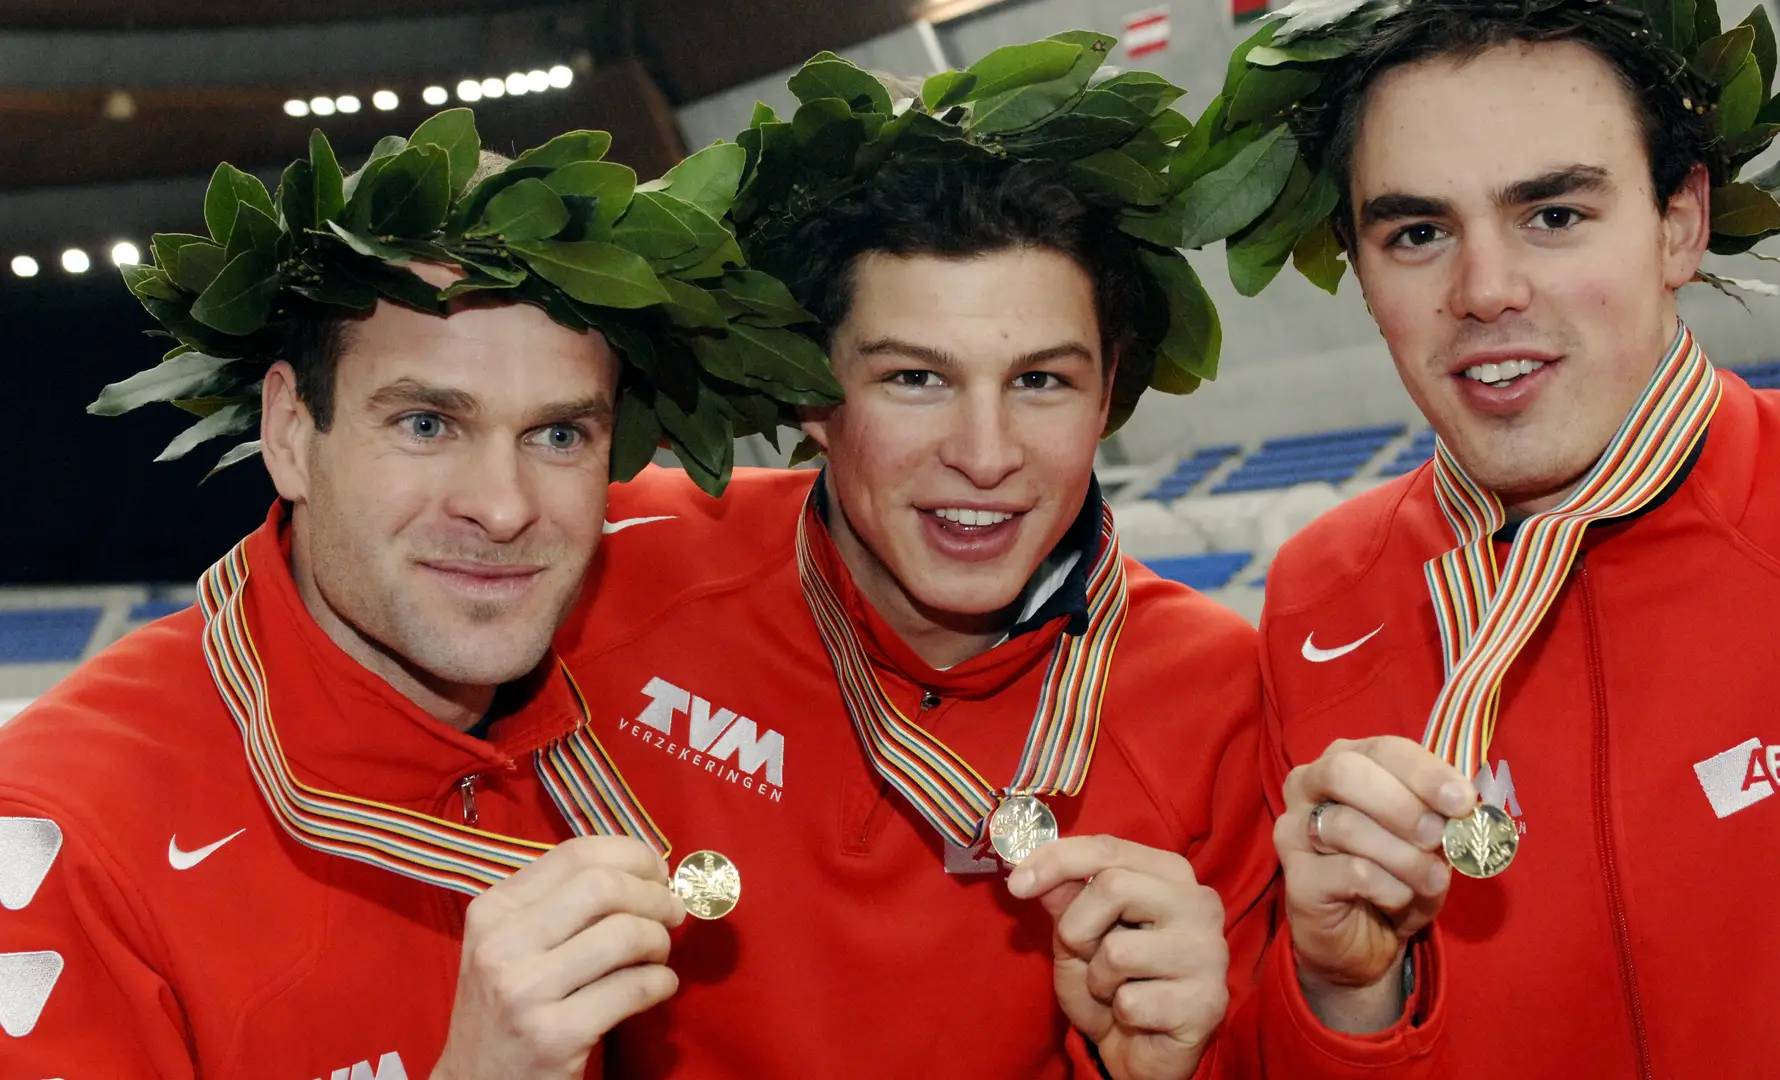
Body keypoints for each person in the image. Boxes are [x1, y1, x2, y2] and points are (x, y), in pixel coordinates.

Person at [0, 111, 832, 1078]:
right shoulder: (62, 823)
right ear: (288, 431)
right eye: (429, 423)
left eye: (559, 435)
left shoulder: (619, 715)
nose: (503, 506)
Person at [1183, 0, 1780, 1075]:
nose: (1485, 291)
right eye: (1418, 233)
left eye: (1554, 214)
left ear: (1679, 226)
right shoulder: (1318, 596)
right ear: (1363, 269)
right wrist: (1343, 994)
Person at [555, 40, 1275, 1079]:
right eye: (915, 380)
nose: (984, 457)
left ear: (1108, 393)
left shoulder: (1217, 694)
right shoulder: (621, 560)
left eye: (1040, 382)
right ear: (812, 391)